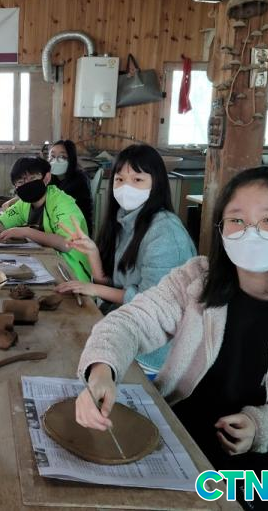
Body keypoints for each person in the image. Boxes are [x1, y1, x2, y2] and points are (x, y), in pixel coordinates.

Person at [75, 167, 268, 511]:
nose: (251, 232)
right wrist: (102, 369)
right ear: (221, 229)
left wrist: (262, 427)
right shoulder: (196, 279)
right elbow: (132, 321)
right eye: (236, 220)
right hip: (183, 440)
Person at [55, 144, 195, 375]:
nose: (126, 187)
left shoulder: (166, 234)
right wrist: (93, 253)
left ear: (156, 183)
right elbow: (118, 285)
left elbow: (153, 305)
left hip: (153, 353)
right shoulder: (126, 220)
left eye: (137, 180)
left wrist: (94, 289)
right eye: (119, 179)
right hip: (123, 330)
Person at [0, 157, 92, 282]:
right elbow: (0, 224)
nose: (27, 184)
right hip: (46, 265)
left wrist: (27, 232)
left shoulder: (62, 203)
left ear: (46, 178)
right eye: (21, 182)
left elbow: (67, 244)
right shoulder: (25, 204)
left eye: (32, 178)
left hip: (72, 274)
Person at [47, 140, 93, 231]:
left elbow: (52, 202)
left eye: (62, 157)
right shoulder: (52, 178)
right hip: (59, 225)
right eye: (52, 156)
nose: (56, 160)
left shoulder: (79, 180)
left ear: (71, 159)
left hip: (77, 230)